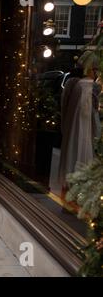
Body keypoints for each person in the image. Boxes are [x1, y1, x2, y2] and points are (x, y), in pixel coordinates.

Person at [59, 51, 99, 199]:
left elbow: (66, 111)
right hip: (84, 135)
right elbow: (90, 116)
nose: (96, 73)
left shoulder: (73, 84)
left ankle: (69, 196)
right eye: (95, 69)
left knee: (72, 158)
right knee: (81, 160)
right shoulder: (89, 86)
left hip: (73, 134)